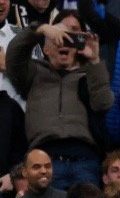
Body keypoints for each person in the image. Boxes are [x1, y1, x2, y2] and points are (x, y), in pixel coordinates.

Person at [7, 15, 113, 188]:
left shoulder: (89, 74)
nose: (63, 44)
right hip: (45, 160)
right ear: (46, 49)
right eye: (57, 40)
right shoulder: (33, 73)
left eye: (69, 41)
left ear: (76, 48)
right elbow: (14, 55)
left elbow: (103, 104)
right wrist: (39, 29)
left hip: (84, 159)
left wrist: (94, 61)